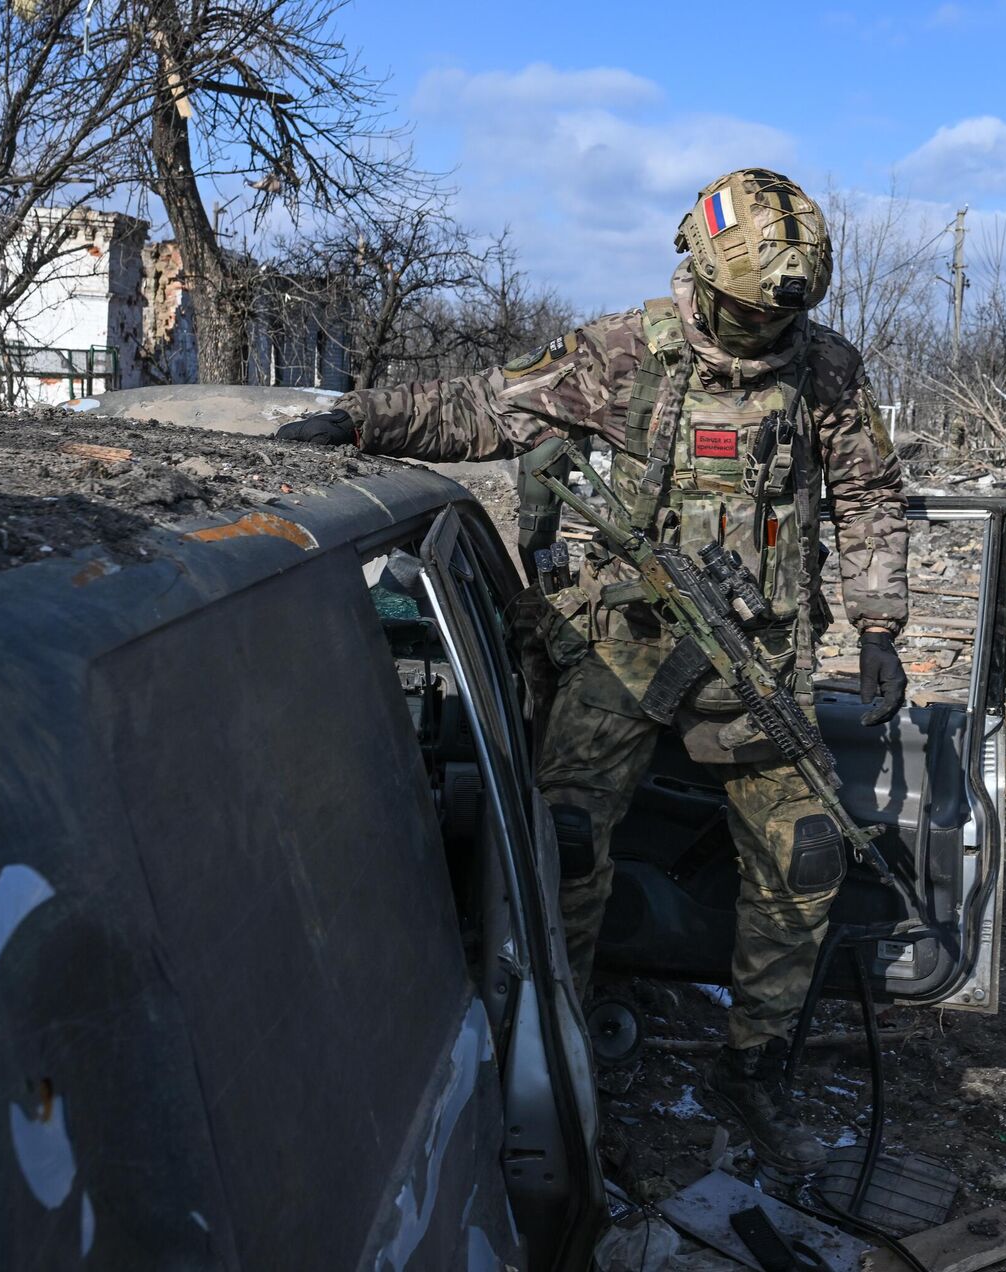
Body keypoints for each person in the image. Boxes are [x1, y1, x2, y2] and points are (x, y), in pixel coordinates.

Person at [277, 169, 909, 1173]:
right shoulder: (625, 354)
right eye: (746, 312)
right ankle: (560, 1053)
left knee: (805, 860)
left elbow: (870, 494)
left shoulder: (826, 369)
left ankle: (754, 1070)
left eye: (777, 316)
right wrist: (360, 420)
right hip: (632, 646)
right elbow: (485, 410)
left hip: (761, 661)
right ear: (703, 279)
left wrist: (880, 624)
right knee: (563, 846)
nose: (761, 332)